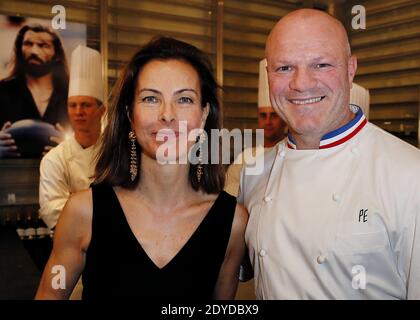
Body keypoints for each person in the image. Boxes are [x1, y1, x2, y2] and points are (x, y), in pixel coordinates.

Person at [35, 36, 248, 300]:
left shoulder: (232, 222)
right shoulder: (84, 212)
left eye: (184, 100)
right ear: (129, 115)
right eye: (150, 98)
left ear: (204, 114)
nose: (167, 114)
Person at [239, 9, 420, 299]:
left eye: (321, 64)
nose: (301, 83)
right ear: (268, 74)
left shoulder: (410, 175)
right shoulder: (254, 173)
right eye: (284, 68)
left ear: (351, 70)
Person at [39, 45, 105, 231]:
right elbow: (52, 212)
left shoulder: (116, 154)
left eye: (86, 105)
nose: (78, 112)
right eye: (72, 105)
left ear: (102, 110)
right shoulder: (54, 159)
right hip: (71, 245)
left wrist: (74, 200)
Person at [0, 24, 69, 158]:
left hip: (58, 176)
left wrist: (70, 149)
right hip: (11, 175)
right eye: (28, 44)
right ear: (19, 50)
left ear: (57, 55)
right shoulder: (3, 90)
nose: (34, 51)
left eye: (43, 45)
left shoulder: (70, 94)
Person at [225, 58, 286, 197]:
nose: (268, 121)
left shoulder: (294, 153)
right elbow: (229, 198)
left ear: (284, 119)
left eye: (274, 115)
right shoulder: (245, 159)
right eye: (263, 115)